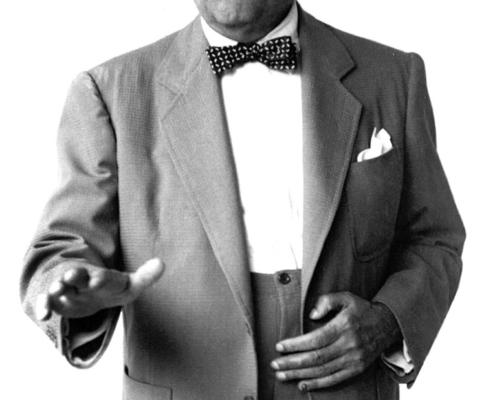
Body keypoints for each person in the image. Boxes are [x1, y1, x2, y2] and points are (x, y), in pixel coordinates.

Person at [20, 0, 465, 399]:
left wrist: (387, 319)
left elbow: (433, 237)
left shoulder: (392, 76)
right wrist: (72, 293)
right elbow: (58, 253)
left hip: (347, 388)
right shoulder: (108, 91)